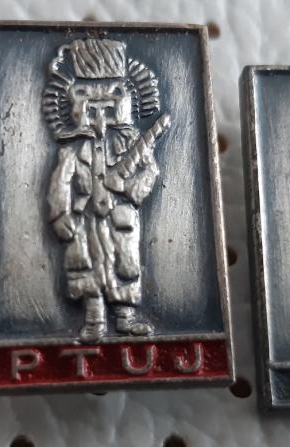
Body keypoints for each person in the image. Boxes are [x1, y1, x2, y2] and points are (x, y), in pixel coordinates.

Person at [43, 39, 170, 343]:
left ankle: (125, 318)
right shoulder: (72, 149)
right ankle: (94, 321)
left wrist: (126, 187)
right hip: (84, 219)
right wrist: (60, 215)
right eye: (85, 94)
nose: (100, 105)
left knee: (124, 264)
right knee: (86, 265)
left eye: (113, 93)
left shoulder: (132, 144)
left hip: (120, 217)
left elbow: (150, 172)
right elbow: (60, 182)